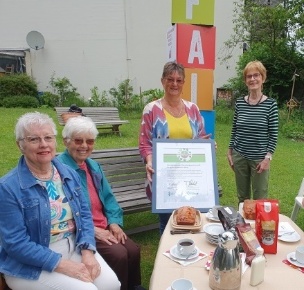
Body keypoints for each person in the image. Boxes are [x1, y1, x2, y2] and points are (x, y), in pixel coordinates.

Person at [0, 112, 120, 290]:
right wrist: (63, 265)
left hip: (74, 246)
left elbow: (85, 215)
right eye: (34, 139)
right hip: (30, 263)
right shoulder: (8, 187)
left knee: (111, 284)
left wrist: (87, 251)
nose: (43, 144)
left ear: (55, 141)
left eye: (48, 137)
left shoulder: (67, 173)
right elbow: (16, 244)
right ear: (20, 145)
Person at [57, 116, 142, 290]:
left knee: (133, 250)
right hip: (83, 230)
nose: (84, 146)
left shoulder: (93, 166)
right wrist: (94, 230)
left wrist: (114, 222)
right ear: (66, 142)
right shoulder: (59, 170)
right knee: (118, 254)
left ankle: (134, 286)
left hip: (104, 224)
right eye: (78, 141)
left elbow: (109, 197)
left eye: (89, 141)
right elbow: (63, 211)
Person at [139, 61, 211, 234]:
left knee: (194, 218)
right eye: (170, 79)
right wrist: (149, 160)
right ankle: (166, 256)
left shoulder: (192, 109)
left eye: (179, 80)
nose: (174, 84)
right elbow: (144, 143)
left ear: (184, 83)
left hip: (191, 176)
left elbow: (201, 136)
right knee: (168, 222)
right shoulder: (151, 110)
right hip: (165, 177)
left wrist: (207, 147)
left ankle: (193, 255)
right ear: (162, 81)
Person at [227, 60, 279, 203]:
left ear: (263, 78)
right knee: (242, 198)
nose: (252, 79)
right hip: (240, 156)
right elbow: (235, 129)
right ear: (245, 81)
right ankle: (243, 225)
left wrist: (267, 158)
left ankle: (258, 225)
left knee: (260, 198)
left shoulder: (271, 104)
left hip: (259, 159)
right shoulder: (239, 103)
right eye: (249, 76)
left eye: (256, 75)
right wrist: (230, 151)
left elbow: (274, 135)